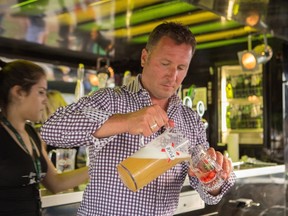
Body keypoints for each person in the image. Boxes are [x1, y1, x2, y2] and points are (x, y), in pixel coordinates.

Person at [40, 22, 236, 216]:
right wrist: (125, 121)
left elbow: (210, 196)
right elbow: (51, 131)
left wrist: (213, 180)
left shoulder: (190, 121)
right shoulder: (111, 100)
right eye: (165, 64)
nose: (172, 76)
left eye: (181, 67)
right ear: (145, 57)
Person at [0, 59, 89, 216]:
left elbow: (55, 183)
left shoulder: (32, 133)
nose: (45, 100)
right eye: (41, 92)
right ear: (18, 92)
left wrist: (101, 166)